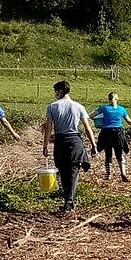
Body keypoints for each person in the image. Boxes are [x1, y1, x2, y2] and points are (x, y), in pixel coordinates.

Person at [41, 80, 97, 214]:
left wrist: (45, 145)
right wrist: (93, 144)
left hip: (60, 141)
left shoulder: (52, 107)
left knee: (62, 170)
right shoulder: (79, 107)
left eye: (55, 91)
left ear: (60, 91)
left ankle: (68, 200)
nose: (55, 94)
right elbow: (88, 128)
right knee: (73, 171)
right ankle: (69, 200)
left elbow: (48, 128)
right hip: (75, 141)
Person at [91, 92, 131, 181]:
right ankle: (123, 173)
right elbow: (129, 121)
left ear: (108, 99)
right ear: (117, 99)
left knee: (108, 153)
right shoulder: (121, 109)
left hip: (106, 132)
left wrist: (100, 121)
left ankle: (108, 174)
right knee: (119, 153)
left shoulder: (103, 108)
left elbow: (91, 116)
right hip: (118, 132)